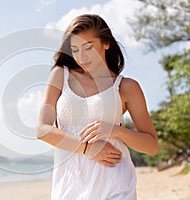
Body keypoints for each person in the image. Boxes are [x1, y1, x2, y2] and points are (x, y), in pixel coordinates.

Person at [37, 14, 158, 200]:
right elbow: (42, 130)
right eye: (75, 49)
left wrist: (117, 131)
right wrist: (88, 148)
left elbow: (151, 146)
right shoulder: (60, 75)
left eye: (88, 47)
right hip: (70, 184)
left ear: (106, 43)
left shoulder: (127, 87)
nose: (81, 56)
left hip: (115, 181)